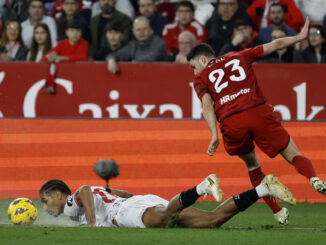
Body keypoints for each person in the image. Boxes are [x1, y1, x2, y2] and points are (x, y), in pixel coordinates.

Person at [187, 17, 326, 226]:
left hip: (232, 122)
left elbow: (207, 106)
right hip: (257, 112)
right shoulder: (240, 55)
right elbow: (276, 45)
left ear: (203, 60)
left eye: (193, 66)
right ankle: (313, 178)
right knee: (293, 154)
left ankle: (278, 212)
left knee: (253, 165)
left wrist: (214, 135)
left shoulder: (201, 77)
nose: (194, 71)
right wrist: (298, 37)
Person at [39, 173, 295, 228]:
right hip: (136, 201)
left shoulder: (71, 205)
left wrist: (93, 222)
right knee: (212, 221)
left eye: (45, 200)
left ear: (60, 195)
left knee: (160, 220)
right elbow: (123, 194)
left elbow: (84, 188)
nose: (45, 207)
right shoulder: (75, 207)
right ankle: (262, 189)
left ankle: (202, 185)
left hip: (127, 211)